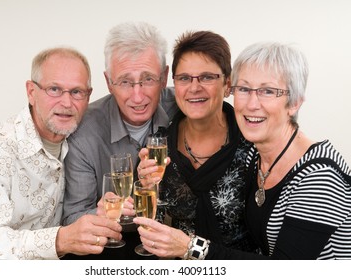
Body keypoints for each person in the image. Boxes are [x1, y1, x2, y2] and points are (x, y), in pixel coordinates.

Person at [137, 41, 351, 259]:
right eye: (245, 89)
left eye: (268, 91)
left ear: (294, 102)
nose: (251, 104)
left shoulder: (320, 177)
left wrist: (190, 247)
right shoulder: (257, 157)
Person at [0, 47, 122, 260]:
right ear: (31, 92)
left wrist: (96, 215)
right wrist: (59, 241)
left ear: (88, 96)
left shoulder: (78, 144)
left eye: (76, 92)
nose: (66, 103)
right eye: (54, 89)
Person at [134, 30, 257, 260]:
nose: (194, 87)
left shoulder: (252, 145)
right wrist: (143, 186)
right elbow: (149, 230)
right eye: (184, 78)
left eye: (207, 77)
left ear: (228, 84)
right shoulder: (158, 146)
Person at [62, 22, 177, 226]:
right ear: (108, 83)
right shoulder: (83, 130)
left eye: (148, 79)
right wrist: (100, 214)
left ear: (164, 77)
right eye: (125, 81)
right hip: (112, 246)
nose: (137, 96)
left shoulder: (184, 108)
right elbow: (73, 217)